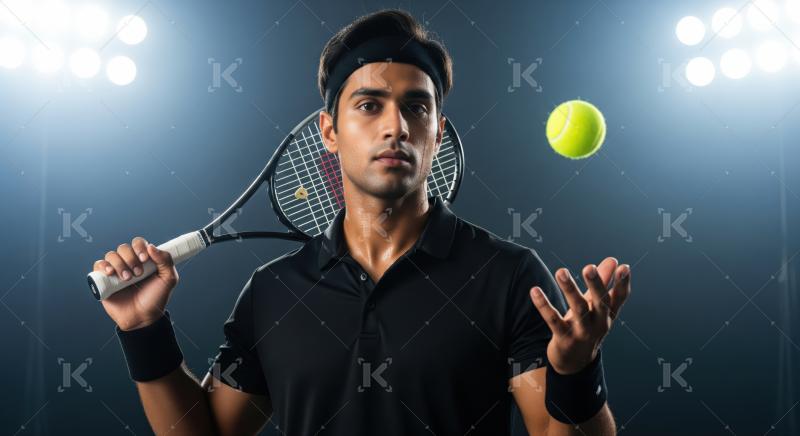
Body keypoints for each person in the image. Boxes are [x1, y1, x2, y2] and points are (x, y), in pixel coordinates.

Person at [93, 9, 631, 436]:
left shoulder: (509, 276)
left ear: (438, 133)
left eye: (417, 108)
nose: (396, 126)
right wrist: (144, 332)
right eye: (369, 105)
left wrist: (577, 373)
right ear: (329, 130)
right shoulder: (272, 293)